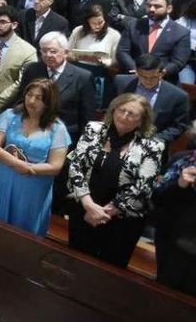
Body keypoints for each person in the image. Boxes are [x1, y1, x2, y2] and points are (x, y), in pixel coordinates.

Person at [66, 93, 162, 267]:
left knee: (108, 274)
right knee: (75, 265)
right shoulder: (93, 129)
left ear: (141, 121)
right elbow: (75, 166)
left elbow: (143, 187)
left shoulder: (152, 146)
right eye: (121, 110)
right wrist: (88, 204)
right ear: (113, 110)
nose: (124, 116)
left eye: (131, 114)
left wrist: (104, 213)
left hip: (121, 221)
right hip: (84, 209)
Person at [0, 78, 70, 236]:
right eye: (29, 95)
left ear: (49, 101)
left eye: (39, 98)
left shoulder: (58, 128)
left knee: (25, 232)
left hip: (34, 186)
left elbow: (55, 166)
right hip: (5, 179)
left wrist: (29, 169)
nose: (31, 101)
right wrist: (16, 164)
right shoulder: (10, 115)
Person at [153, 117, 196, 298]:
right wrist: (180, 184)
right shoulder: (181, 160)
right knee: (165, 293)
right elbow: (158, 198)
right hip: (174, 240)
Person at [114, 54, 191, 153]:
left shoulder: (178, 96)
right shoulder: (121, 82)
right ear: (136, 72)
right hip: (118, 138)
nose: (148, 81)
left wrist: (153, 141)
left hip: (152, 146)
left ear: (162, 73)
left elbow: (179, 126)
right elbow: (110, 109)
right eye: (143, 77)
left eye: (154, 77)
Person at [117, 0, 191, 81]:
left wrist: (158, 73)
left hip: (163, 79)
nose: (151, 9)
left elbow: (178, 61)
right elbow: (122, 51)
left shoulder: (181, 32)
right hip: (134, 76)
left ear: (169, 8)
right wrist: (138, 70)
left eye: (157, 6)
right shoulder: (133, 26)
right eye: (149, 5)